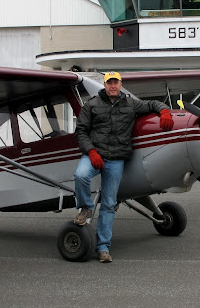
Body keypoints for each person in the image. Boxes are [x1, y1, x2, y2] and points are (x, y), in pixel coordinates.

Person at [73, 71, 173, 263]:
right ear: (105, 85)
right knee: (81, 175)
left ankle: (103, 248)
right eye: (109, 82)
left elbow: (153, 104)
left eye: (116, 82)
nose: (113, 85)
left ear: (120, 84)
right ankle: (85, 208)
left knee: (109, 204)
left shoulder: (131, 103)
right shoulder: (91, 104)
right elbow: (81, 131)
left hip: (116, 159)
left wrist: (165, 111)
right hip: (94, 155)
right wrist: (91, 152)